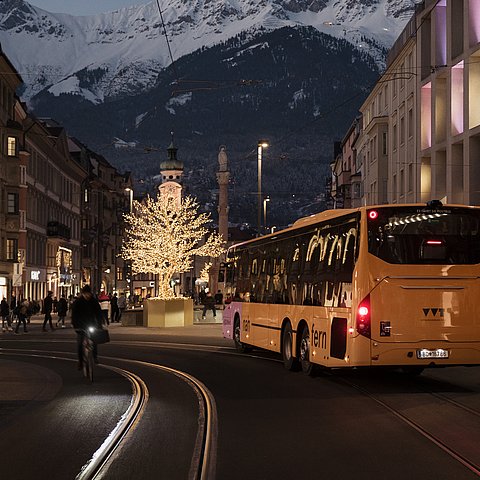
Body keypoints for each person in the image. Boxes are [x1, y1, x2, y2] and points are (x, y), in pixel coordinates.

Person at [71, 285, 103, 369]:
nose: (87, 296)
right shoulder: (78, 302)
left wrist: (100, 324)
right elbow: (74, 314)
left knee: (94, 340)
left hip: (91, 323)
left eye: (88, 294)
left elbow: (98, 313)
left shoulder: (93, 301)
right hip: (80, 325)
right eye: (85, 294)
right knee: (80, 344)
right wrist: (75, 325)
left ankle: (95, 357)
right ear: (83, 294)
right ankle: (80, 361)